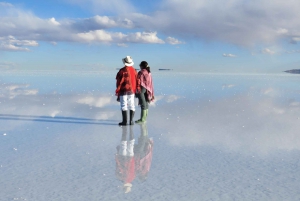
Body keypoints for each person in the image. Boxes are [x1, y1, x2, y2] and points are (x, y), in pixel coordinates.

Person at [116, 56, 137, 126]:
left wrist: (118, 90)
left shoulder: (121, 70)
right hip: (131, 90)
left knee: (123, 105)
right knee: (132, 105)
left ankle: (124, 122)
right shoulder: (134, 70)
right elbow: (137, 80)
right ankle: (131, 121)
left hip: (123, 90)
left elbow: (118, 81)